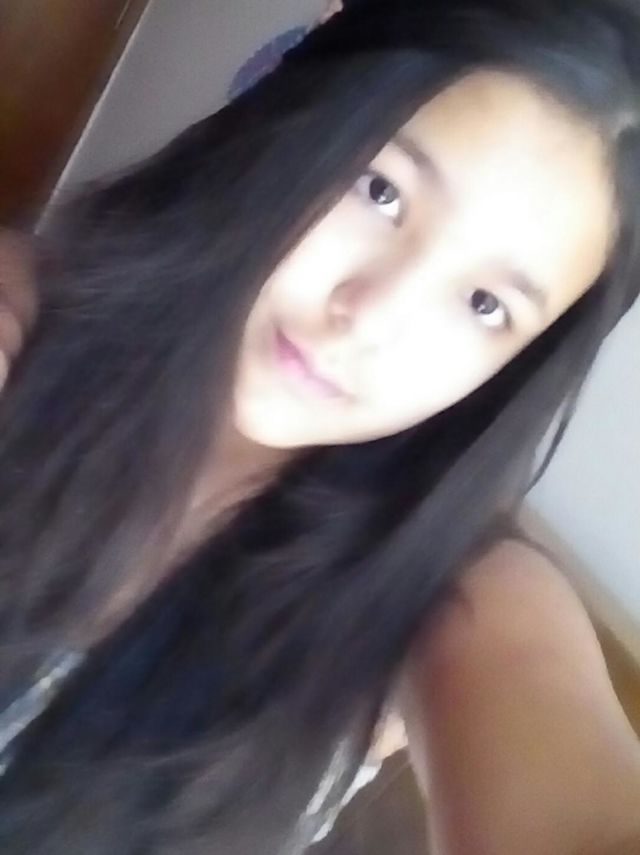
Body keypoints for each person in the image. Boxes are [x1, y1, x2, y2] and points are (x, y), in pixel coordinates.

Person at [0, 0, 638, 852]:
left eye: (486, 303)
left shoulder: (458, 600)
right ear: (299, 129)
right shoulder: (28, 319)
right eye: (382, 191)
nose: (369, 317)